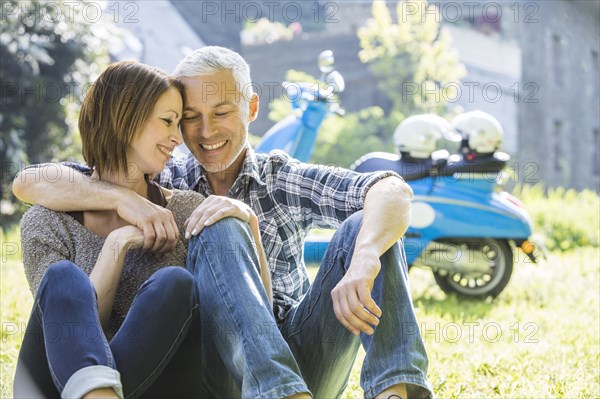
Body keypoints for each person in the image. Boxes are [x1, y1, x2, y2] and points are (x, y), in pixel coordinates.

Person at [13, 46, 433, 399]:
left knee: (370, 227)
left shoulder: (280, 177)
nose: (204, 130)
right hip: (224, 369)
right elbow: (33, 181)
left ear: (251, 108)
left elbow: (391, 190)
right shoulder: (164, 176)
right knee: (213, 220)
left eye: (222, 112)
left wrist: (362, 260)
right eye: (187, 116)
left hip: (307, 354)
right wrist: (126, 200)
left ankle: (394, 389)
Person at [12, 60, 276, 398]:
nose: (178, 138)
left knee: (174, 283)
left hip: (159, 384)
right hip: (55, 384)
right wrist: (118, 244)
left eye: (179, 123)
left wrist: (249, 225)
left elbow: (252, 323)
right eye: (168, 121)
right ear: (123, 117)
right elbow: (72, 335)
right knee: (64, 277)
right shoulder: (46, 220)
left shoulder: (186, 210)